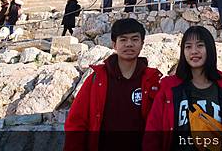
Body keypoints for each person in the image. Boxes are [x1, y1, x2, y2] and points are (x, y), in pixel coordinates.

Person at [64, 18, 162, 151]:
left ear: (142, 43)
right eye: (123, 39)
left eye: (134, 39)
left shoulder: (153, 81)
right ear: (114, 44)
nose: (129, 44)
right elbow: (76, 122)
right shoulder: (96, 79)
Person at [143, 26, 222, 150]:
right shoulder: (168, 88)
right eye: (188, 46)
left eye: (200, 45)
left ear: (210, 49)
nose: (194, 51)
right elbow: (153, 133)